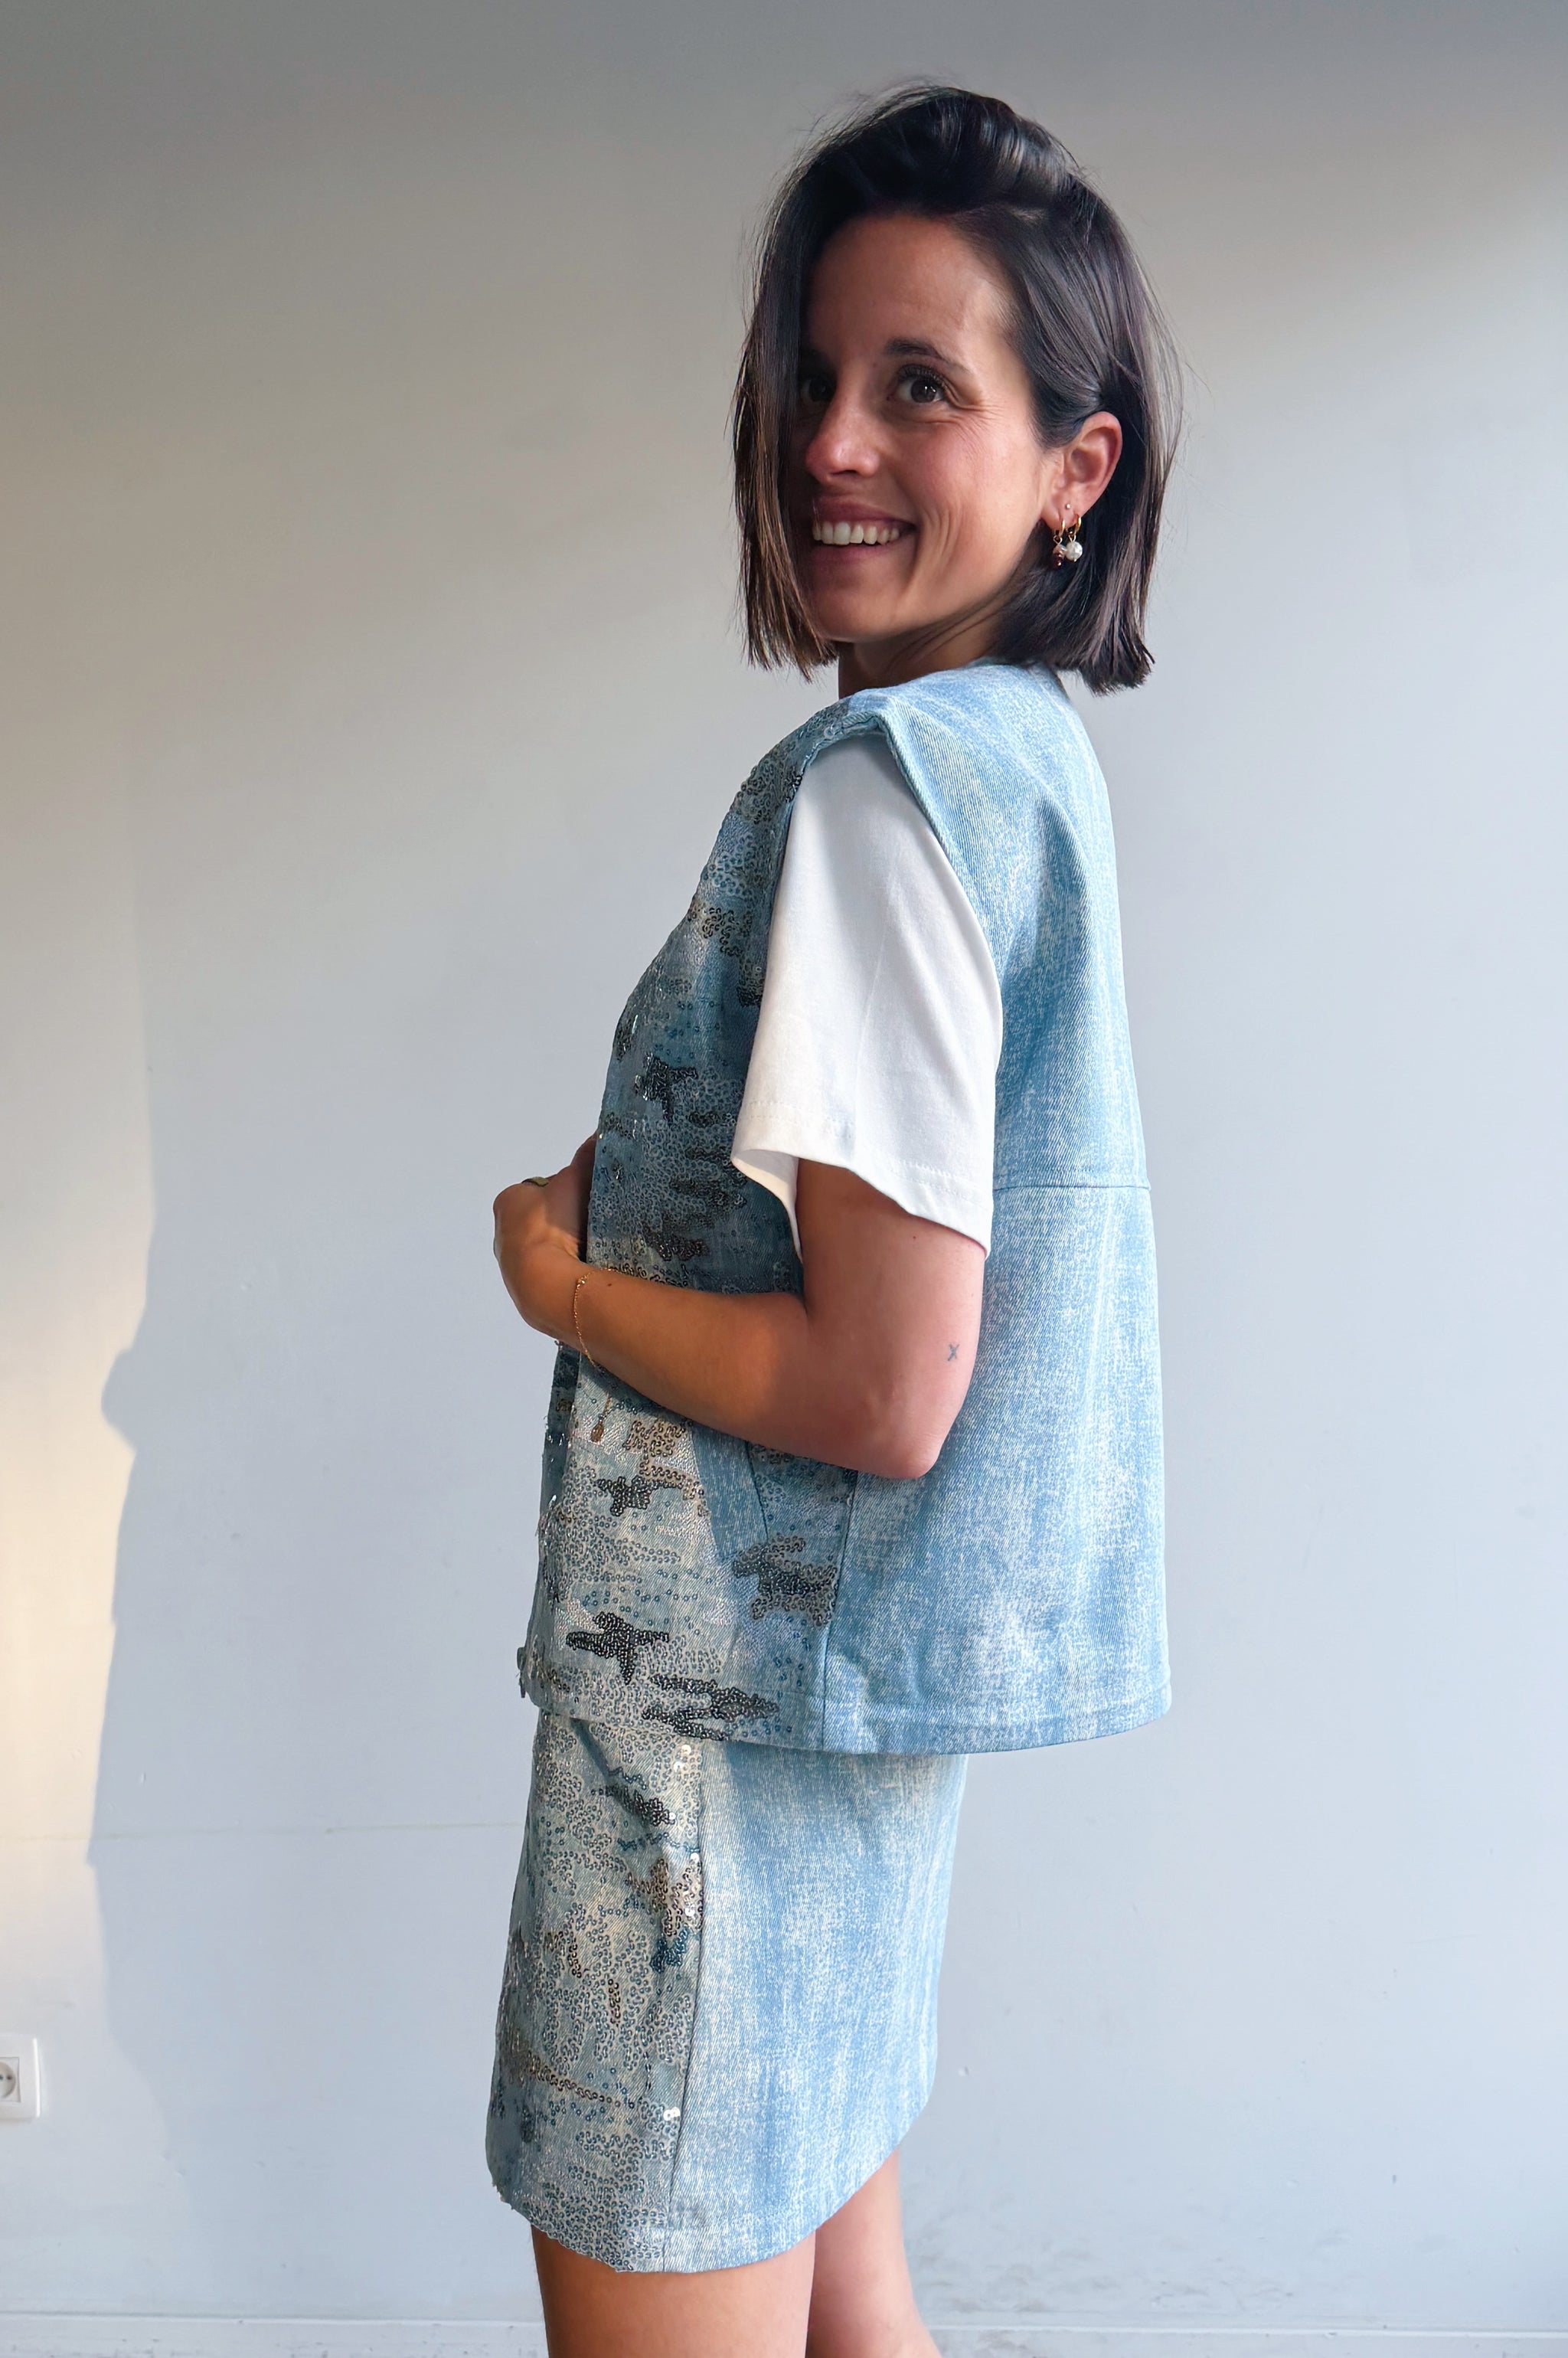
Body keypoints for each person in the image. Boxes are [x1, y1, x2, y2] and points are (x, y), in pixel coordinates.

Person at [486, 83, 1178, 2358]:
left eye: (920, 387)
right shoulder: (1020, 756)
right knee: (856, 2298)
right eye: (811, 378)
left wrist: (568, 1284)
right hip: (832, 1737)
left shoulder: (885, 804)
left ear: (1075, 467)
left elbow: (885, 1386)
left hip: (702, 1752)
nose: (833, 446)